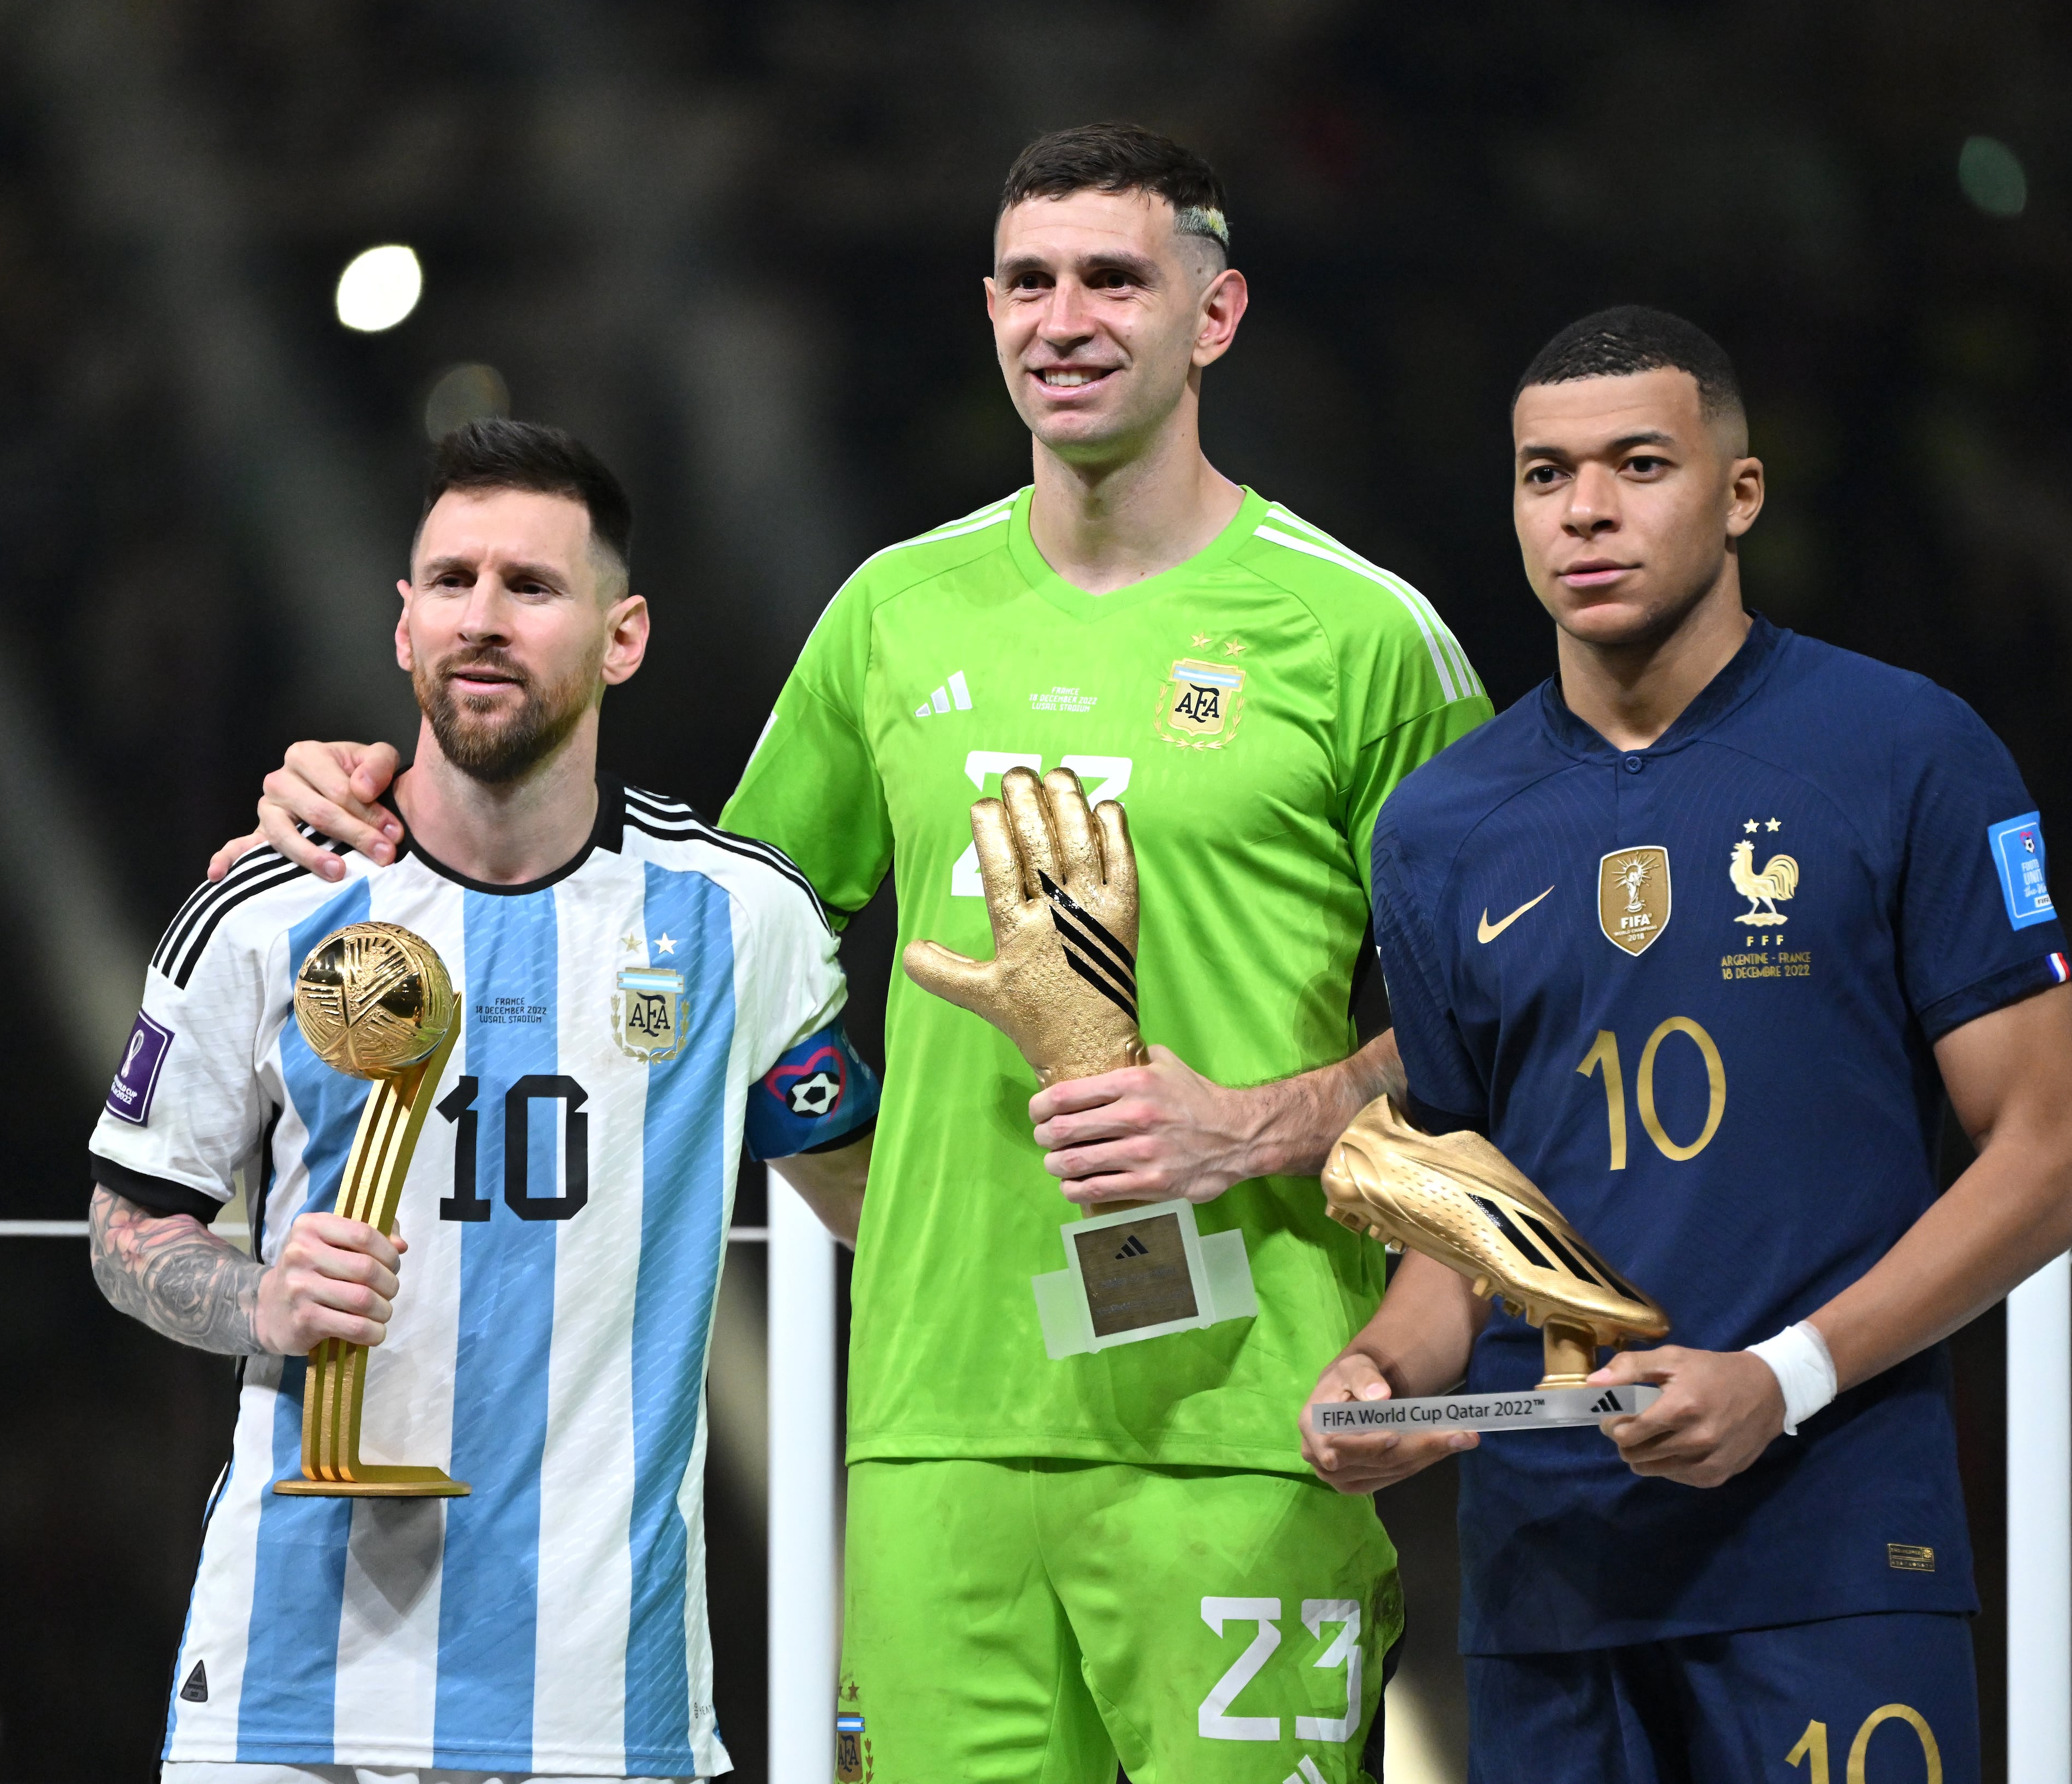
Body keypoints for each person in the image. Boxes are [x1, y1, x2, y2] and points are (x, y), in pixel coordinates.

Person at [225, 124, 1492, 1784]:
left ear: (1218, 312)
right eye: (1029, 280)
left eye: (1117, 276)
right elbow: (710, 944)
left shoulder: (1363, 636)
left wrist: (1263, 1134)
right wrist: (388, 791)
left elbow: (1502, 1023)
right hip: (930, 1437)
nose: (1067, 316)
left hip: (1253, 1428)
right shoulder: (894, 613)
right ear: (988, 311)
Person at [1299, 307, 2072, 1784]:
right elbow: (1466, 1213)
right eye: (1546, 474)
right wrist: (1385, 1374)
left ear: (1741, 494)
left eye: (1638, 463)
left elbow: (2052, 1159)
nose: (1586, 509)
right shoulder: (1438, 827)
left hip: (1831, 1542)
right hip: (1547, 1572)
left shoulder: (1907, 750)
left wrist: (1784, 1378)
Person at [88, 419, 878, 1783]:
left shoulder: (738, 917)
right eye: (451, 581)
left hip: (599, 1702)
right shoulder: (268, 903)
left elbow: (878, 1199)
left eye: (533, 586)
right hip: (288, 1690)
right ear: (402, 625)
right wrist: (256, 1296)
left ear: (622, 635)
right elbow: (128, 1227)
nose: (484, 619)